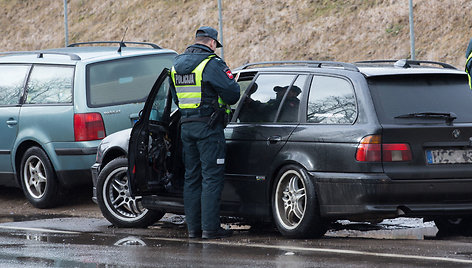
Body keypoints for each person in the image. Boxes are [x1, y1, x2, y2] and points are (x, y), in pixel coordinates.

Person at [169, 26, 240, 239]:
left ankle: (194, 229)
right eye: (215, 46)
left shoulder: (176, 66)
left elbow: (176, 99)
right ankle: (210, 228)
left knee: (192, 177)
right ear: (211, 43)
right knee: (211, 177)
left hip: (186, 128)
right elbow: (232, 94)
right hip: (209, 129)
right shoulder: (211, 64)